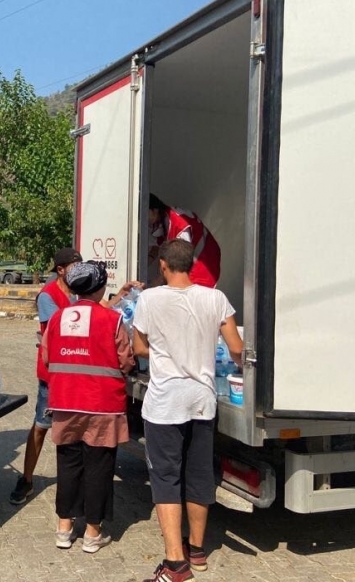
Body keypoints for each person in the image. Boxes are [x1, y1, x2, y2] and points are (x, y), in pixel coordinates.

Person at [132, 239, 243, 582]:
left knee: (166, 478)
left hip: (165, 402)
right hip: (202, 400)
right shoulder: (215, 298)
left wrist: (168, 353)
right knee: (198, 475)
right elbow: (237, 348)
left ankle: (175, 564)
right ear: (191, 265)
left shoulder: (150, 298)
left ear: (163, 265)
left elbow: (138, 346)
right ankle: (197, 551)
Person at [42, 260, 135, 553]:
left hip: (66, 401)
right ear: (100, 288)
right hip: (102, 405)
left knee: (68, 463)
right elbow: (126, 361)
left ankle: (64, 529)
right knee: (98, 467)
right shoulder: (112, 320)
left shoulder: (58, 318)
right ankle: (93, 534)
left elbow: (46, 356)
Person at [8, 247, 82, 505]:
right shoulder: (47, 296)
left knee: (74, 430)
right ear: (60, 270)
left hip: (75, 372)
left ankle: (73, 481)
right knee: (41, 426)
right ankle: (27, 479)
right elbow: (61, 329)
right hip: (53, 374)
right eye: (74, 266)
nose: (79, 271)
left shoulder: (78, 293)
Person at [148, 194, 221, 288]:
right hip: (186, 266)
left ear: (155, 210)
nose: (141, 218)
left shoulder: (179, 224)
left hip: (202, 264)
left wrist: (158, 281)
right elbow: (156, 246)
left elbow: (179, 262)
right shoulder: (157, 221)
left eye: (144, 213)